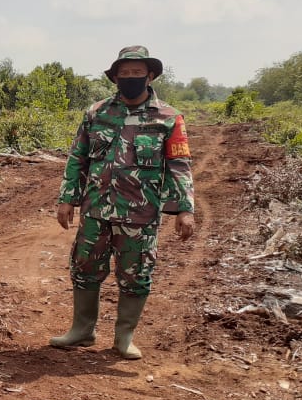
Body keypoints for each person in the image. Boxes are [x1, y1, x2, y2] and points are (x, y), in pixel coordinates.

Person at [51, 45, 195, 360]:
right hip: (96, 210)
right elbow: (77, 158)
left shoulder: (168, 118)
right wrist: (67, 199)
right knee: (85, 267)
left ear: (150, 75)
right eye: (124, 73)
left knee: (136, 274)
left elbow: (179, 166)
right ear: (115, 77)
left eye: (137, 73)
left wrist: (184, 209)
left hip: (140, 213)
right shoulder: (97, 113)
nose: (130, 78)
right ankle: (82, 330)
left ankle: (124, 337)